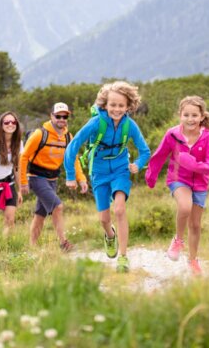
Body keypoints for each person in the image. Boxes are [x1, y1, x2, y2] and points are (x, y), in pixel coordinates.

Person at [63, 81, 150, 273]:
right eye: (113, 105)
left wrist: (137, 164)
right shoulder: (96, 123)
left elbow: (145, 151)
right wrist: (71, 175)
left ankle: (124, 257)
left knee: (119, 210)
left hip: (120, 169)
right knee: (104, 219)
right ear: (105, 104)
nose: (116, 109)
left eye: (121, 105)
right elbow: (73, 145)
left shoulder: (130, 125)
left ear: (128, 106)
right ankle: (110, 236)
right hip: (99, 172)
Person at [145, 96, 209, 275]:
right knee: (184, 207)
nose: (190, 119)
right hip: (178, 179)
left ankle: (193, 260)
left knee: (195, 225)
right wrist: (151, 175)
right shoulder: (172, 134)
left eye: (194, 115)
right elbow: (160, 155)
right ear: (180, 115)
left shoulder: (208, 138)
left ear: (201, 117)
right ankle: (178, 240)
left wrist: (193, 164)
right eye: (186, 115)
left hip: (200, 183)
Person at [19, 102, 89, 252]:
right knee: (58, 206)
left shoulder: (68, 137)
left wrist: (81, 178)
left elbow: (73, 159)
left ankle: (32, 248)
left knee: (40, 215)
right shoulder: (40, 134)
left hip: (53, 179)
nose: (61, 119)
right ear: (51, 116)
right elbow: (23, 156)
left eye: (65, 116)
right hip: (36, 177)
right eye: (58, 116)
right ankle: (63, 243)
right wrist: (23, 182)